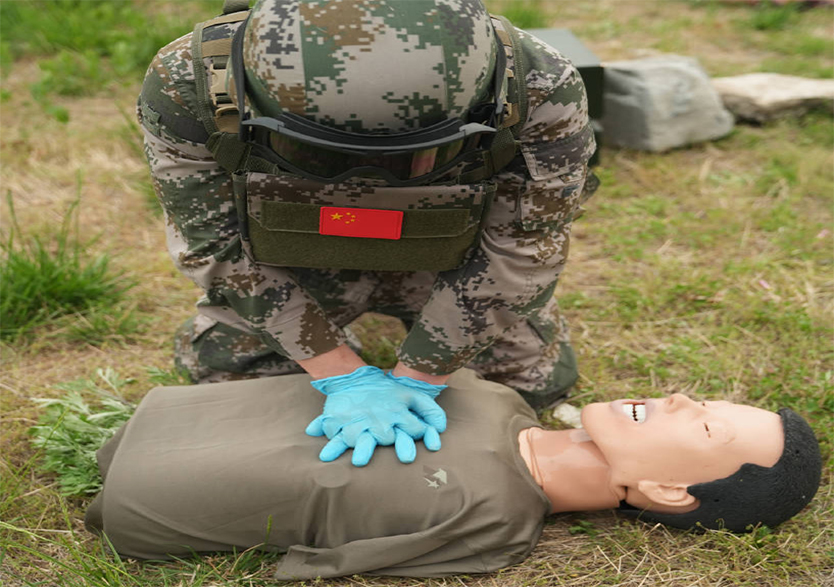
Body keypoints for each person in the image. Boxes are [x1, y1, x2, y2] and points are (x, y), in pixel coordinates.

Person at [137, 0, 598, 466]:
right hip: (291, 260)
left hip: (455, 261)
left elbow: (522, 250)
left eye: (405, 161)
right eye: (324, 158)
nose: (365, 180)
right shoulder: (191, 82)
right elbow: (216, 245)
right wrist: (337, 371)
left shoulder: (539, 87)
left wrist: (422, 374)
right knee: (230, 374)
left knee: (529, 385)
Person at [84, 370, 821, 580]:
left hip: (151, 497)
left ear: (666, 491)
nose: (682, 399)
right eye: (704, 399)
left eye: (706, 426)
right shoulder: (497, 397)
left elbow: (339, 558)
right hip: (180, 419)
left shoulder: (498, 522)